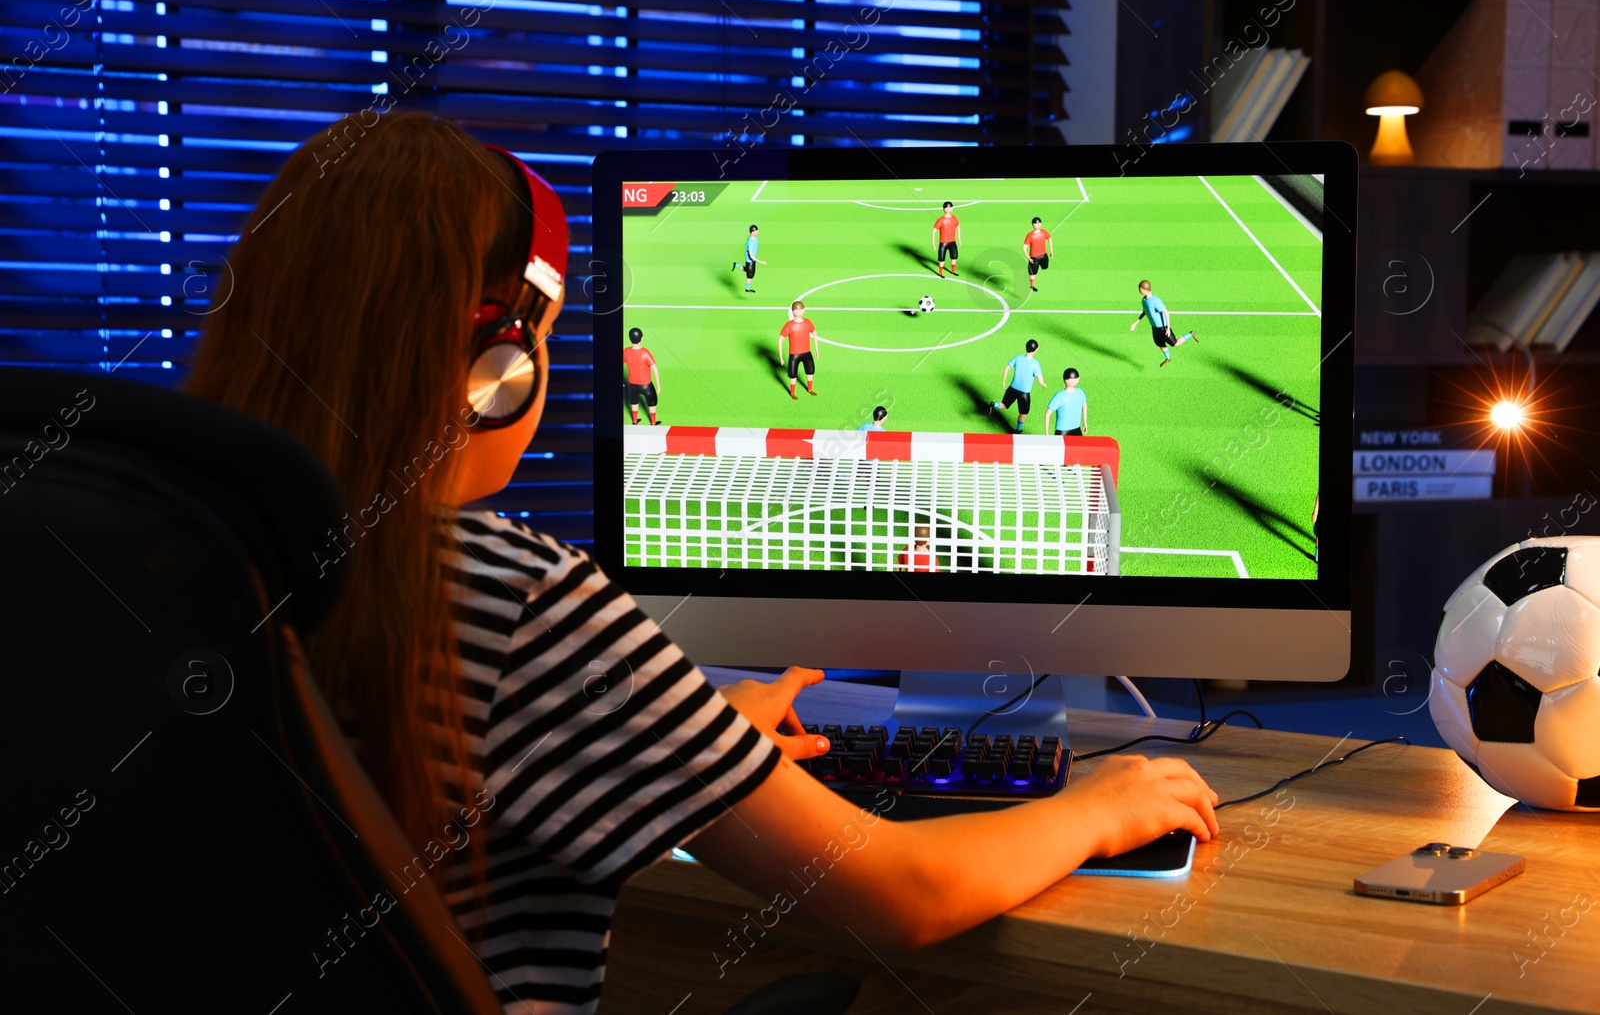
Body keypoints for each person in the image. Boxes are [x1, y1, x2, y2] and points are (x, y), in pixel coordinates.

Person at [186, 111, 1219, 1015]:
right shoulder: (520, 602)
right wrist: (1098, 804)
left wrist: (681, 728)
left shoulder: (189, 557)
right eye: (539, 335)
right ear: (492, 373)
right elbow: (901, 891)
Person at [1130, 278, 1197, 368]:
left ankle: (1190, 334)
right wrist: (1136, 323)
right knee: (1160, 343)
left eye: (1140, 289)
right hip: (1154, 328)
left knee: (1175, 344)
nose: (1139, 290)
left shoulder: (1156, 301)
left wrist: (1168, 328)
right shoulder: (1144, 300)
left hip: (1163, 328)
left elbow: (1166, 313)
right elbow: (1145, 311)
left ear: (1145, 289)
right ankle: (1168, 358)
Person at [989, 338, 1048, 433]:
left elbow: (1007, 368)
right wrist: (1044, 384)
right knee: (1023, 412)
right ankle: (1018, 429)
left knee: (1004, 405)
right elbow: (1040, 379)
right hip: (1024, 393)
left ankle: (993, 404)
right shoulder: (1035, 364)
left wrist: (1004, 382)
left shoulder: (1018, 358)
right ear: (1036, 350)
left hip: (1012, 388)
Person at [779, 299, 819, 399]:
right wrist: (781, 357)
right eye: (798, 309)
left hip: (807, 353)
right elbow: (780, 340)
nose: (800, 311)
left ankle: (810, 389)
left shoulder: (808, 322)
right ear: (793, 311)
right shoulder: (789, 325)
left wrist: (816, 349)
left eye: (802, 309)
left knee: (810, 371)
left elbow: (814, 333)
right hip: (794, 354)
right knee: (793, 374)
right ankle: (792, 392)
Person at [622, 326, 661, 425]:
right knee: (652, 403)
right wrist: (658, 385)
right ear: (641, 338)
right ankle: (653, 422)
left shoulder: (626, 351)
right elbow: (655, 369)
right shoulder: (645, 352)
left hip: (632, 385)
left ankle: (634, 421)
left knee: (634, 402)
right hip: (646, 385)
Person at [1044, 367, 1087, 436]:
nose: (1076, 379)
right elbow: (1048, 414)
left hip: (1077, 428)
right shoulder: (1059, 396)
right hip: (1062, 431)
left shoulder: (1080, 392)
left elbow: (1084, 405)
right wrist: (1047, 433)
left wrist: (1085, 422)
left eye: (1077, 377)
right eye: (1073, 378)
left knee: (1078, 446)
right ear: (1066, 380)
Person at [733, 223, 766, 292]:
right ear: (752, 232)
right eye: (756, 230)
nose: (757, 231)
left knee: (747, 271)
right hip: (750, 262)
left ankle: (736, 265)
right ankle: (747, 289)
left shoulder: (753, 238)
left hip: (751, 261)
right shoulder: (751, 242)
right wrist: (761, 262)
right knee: (750, 275)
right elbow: (751, 256)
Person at [1023, 216, 1052, 293]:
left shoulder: (1044, 232)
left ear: (1041, 223)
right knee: (1033, 273)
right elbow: (1024, 248)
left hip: (1043, 256)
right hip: (1034, 258)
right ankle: (1032, 285)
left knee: (1045, 267)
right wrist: (1028, 258)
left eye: (1039, 223)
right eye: (1035, 223)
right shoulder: (1030, 235)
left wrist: (1051, 251)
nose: (1037, 225)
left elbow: (1049, 238)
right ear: (1032, 224)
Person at [932, 200, 960, 278]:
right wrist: (933, 243)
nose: (949, 209)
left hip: (952, 242)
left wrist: (959, 239)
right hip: (943, 243)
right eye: (947, 207)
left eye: (950, 207)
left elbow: (958, 227)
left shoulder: (954, 218)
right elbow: (934, 230)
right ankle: (940, 273)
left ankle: (953, 271)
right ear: (944, 209)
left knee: (954, 257)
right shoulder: (941, 220)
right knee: (942, 259)